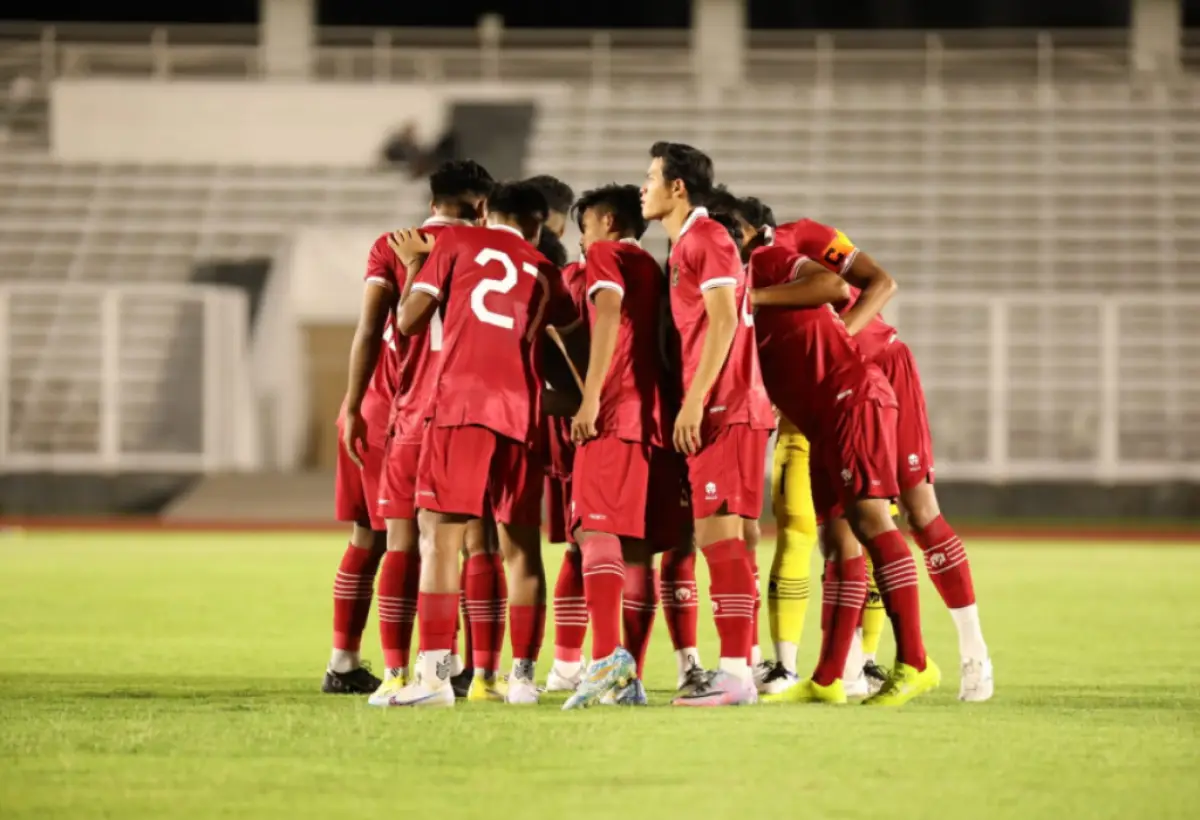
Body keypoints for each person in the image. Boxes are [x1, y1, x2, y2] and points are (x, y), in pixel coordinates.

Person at [753, 209, 993, 702]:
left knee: (920, 514)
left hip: (876, 366)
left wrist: (839, 341)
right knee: (835, 531)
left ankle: (974, 653)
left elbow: (881, 282)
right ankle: (835, 673)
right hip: (827, 390)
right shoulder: (741, 275)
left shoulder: (801, 238)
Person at [385, 181, 580, 708]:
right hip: (522, 413)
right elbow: (574, 335)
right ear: (538, 225)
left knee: (439, 538)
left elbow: (408, 321)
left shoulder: (457, 243)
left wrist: (411, 269)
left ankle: (434, 679)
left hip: (462, 405)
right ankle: (521, 679)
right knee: (520, 548)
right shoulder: (545, 268)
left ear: (485, 212)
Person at [325, 161, 488, 695]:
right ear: (482, 206)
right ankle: (445, 665)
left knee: (370, 536)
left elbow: (369, 327)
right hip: (440, 412)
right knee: (446, 540)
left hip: (378, 405)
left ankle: (345, 661)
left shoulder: (389, 245)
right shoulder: (481, 253)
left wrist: (352, 404)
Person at [640, 142, 775, 707]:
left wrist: (694, 401)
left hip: (725, 406)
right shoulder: (686, 245)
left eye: (650, 177)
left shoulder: (707, 238)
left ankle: (735, 675)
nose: (642, 187)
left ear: (678, 188)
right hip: (728, 405)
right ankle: (740, 667)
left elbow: (722, 323)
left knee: (721, 538)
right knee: (730, 539)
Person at [559, 184, 669, 709]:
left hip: (614, 410)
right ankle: (630, 675)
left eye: (584, 227)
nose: (582, 240)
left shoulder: (606, 254)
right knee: (636, 551)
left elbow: (606, 316)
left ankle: (604, 661)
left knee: (595, 532)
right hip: (652, 417)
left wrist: (589, 398)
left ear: (605, 222)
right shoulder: (653, 266)